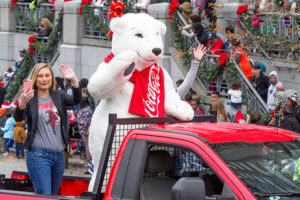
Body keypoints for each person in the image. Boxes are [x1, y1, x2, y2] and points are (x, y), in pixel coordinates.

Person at [13, 63, 81, 195]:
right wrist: (22, 103)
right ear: (34, 78)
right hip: (39, 156)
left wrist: (74, 82)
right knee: (44, 195)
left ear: (51, 78)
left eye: (47, 75)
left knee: (54, 195)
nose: (44, 79)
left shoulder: (59, 95)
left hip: (59, 156)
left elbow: (75, 100)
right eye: (40, 76)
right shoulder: (30, 98)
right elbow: (18, 118)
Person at [77, 88, 93, 166]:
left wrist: (86, 130)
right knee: (87, 144)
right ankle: (88, 159)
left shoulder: (86, 110)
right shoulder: (86, 109)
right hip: (83, 130)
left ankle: (88, 160)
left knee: (87, 145)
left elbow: (87, 121)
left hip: (85, 130)